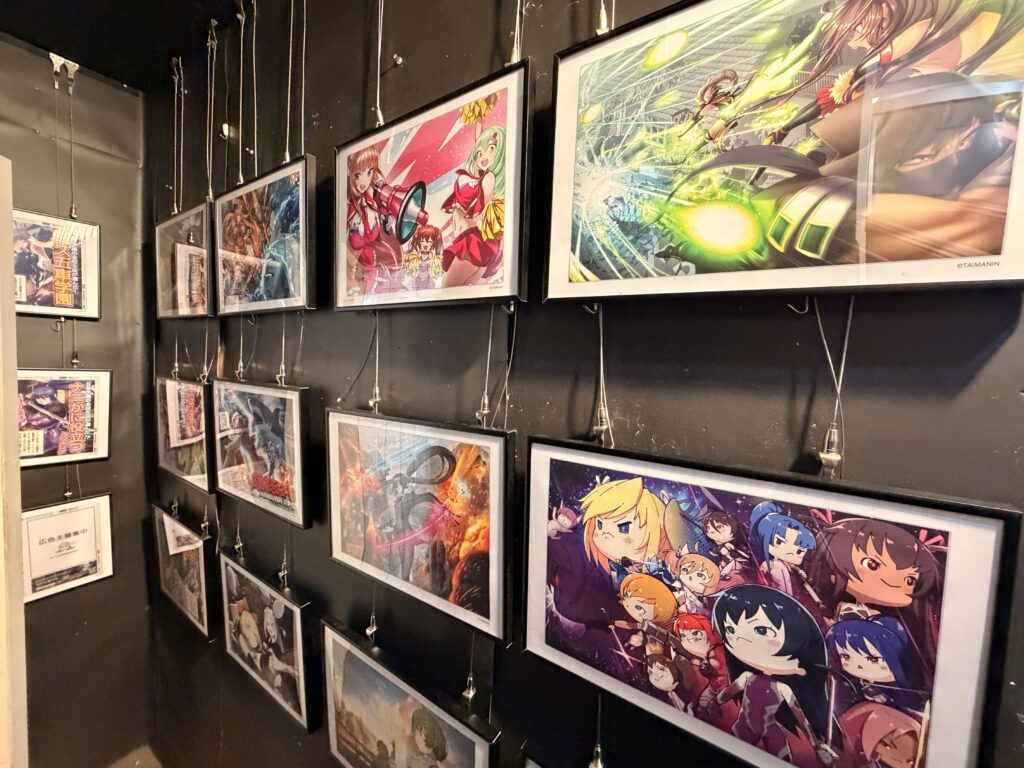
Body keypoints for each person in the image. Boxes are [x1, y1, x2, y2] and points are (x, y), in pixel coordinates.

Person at [709, 584, 837, 765]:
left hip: (770, 732)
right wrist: (713, 703)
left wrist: (816, 745)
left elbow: (802, 720)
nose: (741, 641)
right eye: (730, 630)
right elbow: (728, 693)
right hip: (744, 727)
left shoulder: (783, 688)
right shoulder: (747, 677)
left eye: (762, 630)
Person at [440, 127, 506, 287]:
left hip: (471, 243)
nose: (483, 156)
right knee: (457, 296)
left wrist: (473, 214)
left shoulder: (489, 178)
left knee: (446, 290)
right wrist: (478, 123)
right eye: (479, 153)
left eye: (491, 149)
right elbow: (478, 144)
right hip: (472, 244)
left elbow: (484, 209)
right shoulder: (479, 177)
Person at [346, 146, 399, 295]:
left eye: (369, 173)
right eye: (358, 175)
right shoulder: (348, 202)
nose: (363, 182)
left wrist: (385, 218)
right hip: (355, 253)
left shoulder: (371, 198)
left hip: (370, 252)